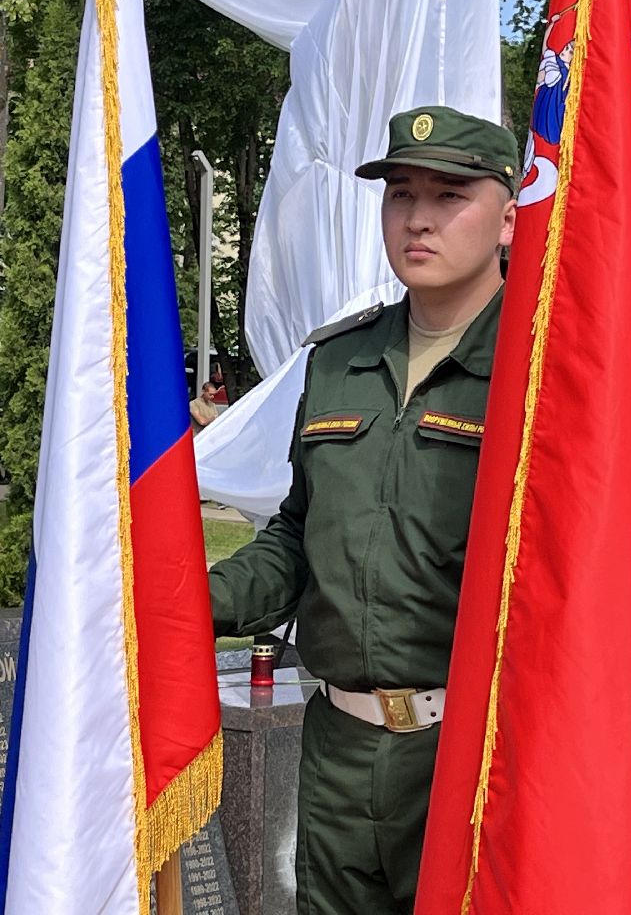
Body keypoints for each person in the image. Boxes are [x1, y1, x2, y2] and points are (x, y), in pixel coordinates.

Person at [207, 105, 518, 915]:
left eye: (449, 195)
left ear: (509, 215)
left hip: (475, 754)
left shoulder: (540, 365)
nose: (418, 218)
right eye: (400, 193)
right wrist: (188, 599)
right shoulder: (341, 360)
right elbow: (298, 537)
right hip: (340, 750)